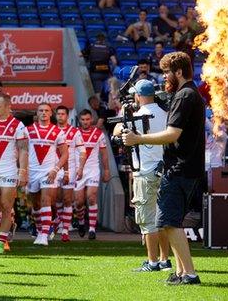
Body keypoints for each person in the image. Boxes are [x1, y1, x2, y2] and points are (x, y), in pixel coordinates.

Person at [123, 51, 205, 285]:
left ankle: (189, 274)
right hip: (185, 168)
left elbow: (172, 134)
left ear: (178, 72)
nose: (165, 76)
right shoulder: (189, 94)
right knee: (171, 223)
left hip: (180, 168)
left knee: (168, 222)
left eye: (168, 71)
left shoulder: (185, 96)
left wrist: (139, 139)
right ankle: (180, 272)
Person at [112, 79, 171, 272]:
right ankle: (164, 260)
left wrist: (123, 114)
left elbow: (119, 134)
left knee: (147, 220)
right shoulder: (166, 113)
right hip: (163, 169)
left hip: (146, 171)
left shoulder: (137, 116)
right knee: (161, 219)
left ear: (138, 95)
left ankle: (152, 262)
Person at [0, 93, 28, 254]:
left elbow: (23, 149)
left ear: (8, 108)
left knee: (6, 206)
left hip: (9, 169)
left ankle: (1, 242)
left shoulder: (18, 125)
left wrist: (22, 171)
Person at [27, 103, 68, 246]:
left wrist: (55, 170)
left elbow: (65, 154)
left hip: (48, 172)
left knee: (46, 200)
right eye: (41, 111)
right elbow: (22, 151)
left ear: (51, 114)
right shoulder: (28, 131)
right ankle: (39, 231)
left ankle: (45, 234)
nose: (44, 113)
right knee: (35, 204)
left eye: (46, 111)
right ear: (37, 113)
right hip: (32, 172)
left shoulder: (58, 132)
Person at [75, 109, 111, 240]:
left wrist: (106, 170)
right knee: (79, 202)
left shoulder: (98, 133)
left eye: (87, 119)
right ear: (79, 120)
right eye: (83, 119)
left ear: (91, 120)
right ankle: (80, 222)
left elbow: (104, 154)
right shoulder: (75, 133)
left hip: (93, 170)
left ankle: (91, 229)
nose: (85, 122)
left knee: (91, 197)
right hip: (78, 170)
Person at [55, 106, 86, 242]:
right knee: (55, 198)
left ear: (67, 116)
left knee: (67, 199)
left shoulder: (74, 132)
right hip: (53, 168)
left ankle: (65, 231)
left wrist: (80, 168)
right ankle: (58, 221)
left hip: (71, 168)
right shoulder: (51, 130)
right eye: (59, 114)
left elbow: (83, 152)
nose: (60, 116)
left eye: (63, 114)